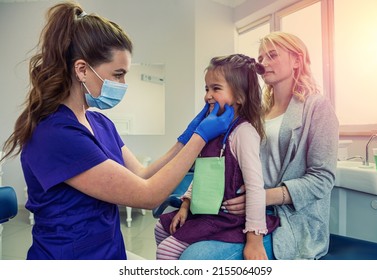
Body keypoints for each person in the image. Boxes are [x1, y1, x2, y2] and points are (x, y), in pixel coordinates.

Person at [0, 2, 234, 260]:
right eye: (118, 74)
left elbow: (143, 175)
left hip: (110, 252)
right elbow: (148, 195)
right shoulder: (55, 134)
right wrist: (201, 137)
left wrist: (185, 138)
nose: (123, 84)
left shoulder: (101, 123)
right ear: (81, 69)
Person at [179, 32, 339, 260]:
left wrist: (264, 197)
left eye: (272, 55)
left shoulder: (317, 107)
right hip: (243, 210)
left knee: (193, 259)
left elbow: (322, 179)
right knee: (172, 237)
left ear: (297, 60)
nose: (263, 63)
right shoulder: (258, 111)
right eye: (261, 58)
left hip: (287, 218)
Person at [154, 54, 280, 260]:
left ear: (239, 97)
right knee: (161, 228)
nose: (208, 96)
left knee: (166, 250)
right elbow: (203, 174)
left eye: (216, 88)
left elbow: (256, 188)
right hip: (206, 212)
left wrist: (254, 240)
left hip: (227, 219)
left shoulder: (244, 133)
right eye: (206, 89)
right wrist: (185, 205)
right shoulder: (215, 130)